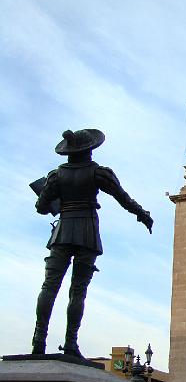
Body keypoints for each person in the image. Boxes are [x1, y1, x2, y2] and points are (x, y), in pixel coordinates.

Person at [31, 129, 153, 358]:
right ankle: (70, 342)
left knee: (49, 287)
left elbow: (40, 207)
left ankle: (39, 339)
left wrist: (58, 202)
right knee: (78, 291)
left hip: (62, 232)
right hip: (87, 232)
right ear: (89, 149)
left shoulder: (55, 176)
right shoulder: (99, 173)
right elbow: (123, 199)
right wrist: (143, 214)